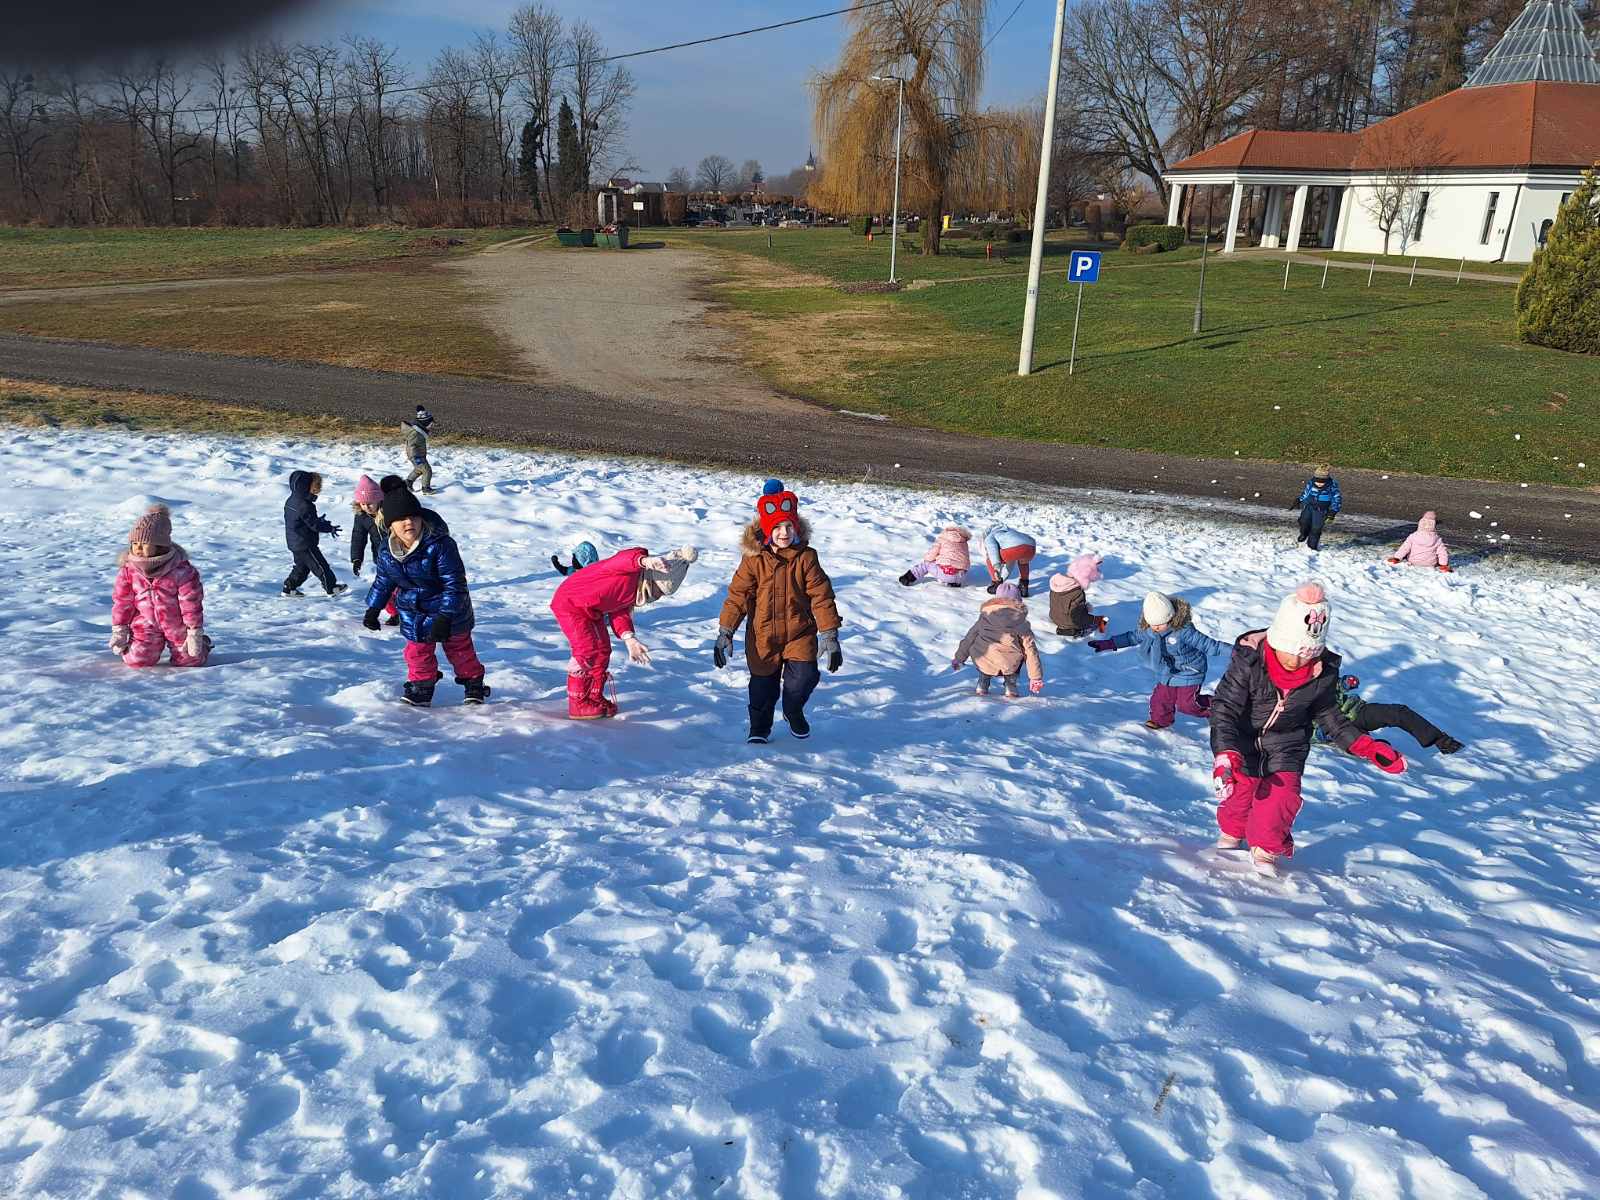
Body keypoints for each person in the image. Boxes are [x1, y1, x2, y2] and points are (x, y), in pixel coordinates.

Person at [1210, 582, 1407, 873]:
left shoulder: (1320, 672)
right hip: (1242, 744)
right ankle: (1232, 833)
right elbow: (1224, 708)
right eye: (1294, 651)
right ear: (1277, 640)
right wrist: (1226, 753)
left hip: (1288, 746)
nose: (1300, 660)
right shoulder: (1250, 662)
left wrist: (1364, 746)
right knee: (1239, 799)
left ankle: (1265, 849)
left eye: (1308, 654)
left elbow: (1330, 715)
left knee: (1281, 798)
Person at [715, 486, 842, 744]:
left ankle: (792, 710)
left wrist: (829, 634)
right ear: (766, 530)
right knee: (762, 688)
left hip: (799, 633)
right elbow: (738, 596)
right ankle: (760, 728)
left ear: (796, 528)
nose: (783, 533)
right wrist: (725, 632)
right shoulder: (754, 559)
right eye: (777, 528)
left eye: (788, 527)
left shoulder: (806, 557)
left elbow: (821, 595)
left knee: (805, 676)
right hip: (763, 636)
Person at [362, 487, 487, 706]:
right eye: (401, 519)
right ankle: (421, 686)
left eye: (413, 516)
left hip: (450, 610)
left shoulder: (440, 545)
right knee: (416, 652)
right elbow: (384, 581)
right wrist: (374, 609)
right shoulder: (386, 551)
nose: (408, 522)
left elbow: (454, 583)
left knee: (460, 651)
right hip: (413, 612)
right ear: (390, 524)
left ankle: (473, 682)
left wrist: (445, 616)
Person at [551, 545, 698, 719]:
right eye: (658, 590)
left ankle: (593, 696)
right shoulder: (629, 570)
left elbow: (618, 610)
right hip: (570, 604)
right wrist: (644, 561)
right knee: (587, 650)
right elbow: (620, 560)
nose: (656, 596)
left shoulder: (632, 592)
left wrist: (630, 639)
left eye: (661, 595)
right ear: (651, 578)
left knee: (603, 650)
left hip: (592, 610)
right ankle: (578, 703)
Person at [1089, 591, 1229, 729]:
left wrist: (1239, 650)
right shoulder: (1150, 630)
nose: (1156, 628)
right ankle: (1161, 721)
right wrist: (1109, 644)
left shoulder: (1183, 631)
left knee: (1187, 705)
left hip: (1190, 671)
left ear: (1170, 618)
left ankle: (1215, 708)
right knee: (1160, 699)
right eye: (1152, 624)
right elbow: (1131, 637)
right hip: (1167, 671)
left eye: (1160, 624)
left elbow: (1211, 645)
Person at [109, 504, 211, 668]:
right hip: (145, 625)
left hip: (177, 625)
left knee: (189, 661)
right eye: (134, 543)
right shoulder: (129, 571)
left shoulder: (181, 570)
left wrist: (193, 631)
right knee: (137, 661)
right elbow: (122, 601)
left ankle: (204, 646)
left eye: (144, 543)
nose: (138, 548)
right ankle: (142, 647)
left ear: (160, 545)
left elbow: (191, 602)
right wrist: (120, 629)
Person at [1322, 672, 1464, 753]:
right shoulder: (1300, 690)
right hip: (1336, 728)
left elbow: (1330, 686)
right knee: (1372, 747)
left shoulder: (1312, 666)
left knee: (1398, 712)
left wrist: (1343, 683)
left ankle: (1441, 741)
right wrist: (1321, 735)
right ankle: (1374, 750)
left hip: (1356, 711)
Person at [952, 582, 1043, 698]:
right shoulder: (1020, 622)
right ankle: (1010, 685)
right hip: (1009, 663)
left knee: (981, 648)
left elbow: (970, 637)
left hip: (984, 660)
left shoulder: (985, 616)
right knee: (1020, 652)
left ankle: (982, 683)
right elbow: (1030, 650)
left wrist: (959, 659)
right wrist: (1035, 677)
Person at [283, 470, 347, 597]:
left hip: (294, 542)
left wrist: (318, 520)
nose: (316, 490)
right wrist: (329, 527)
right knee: (320, 566)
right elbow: (314, 525)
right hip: (305, 544)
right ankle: (331, 587)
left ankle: (289, 588)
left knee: (302, 567)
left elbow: (302, 521)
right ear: (305, 486)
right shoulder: (305, 505)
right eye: (313, 487)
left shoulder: (291, 500)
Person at [1049, 553, 1108, 638]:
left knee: (1078, 614)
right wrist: (1095, 619)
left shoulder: (1059, 584)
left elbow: (1063, 602)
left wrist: (1084, 607)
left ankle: (1068, 626)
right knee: (1103, 620)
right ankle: (1079, 631)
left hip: (1054, 617)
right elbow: (1077, 617)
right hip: (1070, 622)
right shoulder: (1077, 592)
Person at [899, 525, 973, 587]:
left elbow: (931, 555)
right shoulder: (964, 541)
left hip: (945, 574)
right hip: (961, 576)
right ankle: (953, 582)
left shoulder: (943, 538)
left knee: (926, 565)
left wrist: (928, 559)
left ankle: (907, 578)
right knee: (954, 564)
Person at [1291, 463, 1341, 552]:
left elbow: (1336, 499)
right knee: (1303, 521)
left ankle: (1312, 546)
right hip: (1309, 507)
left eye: (1322, 482)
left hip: (1321, 510)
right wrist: (1299, 499)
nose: (1319, 484)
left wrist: (1333, 511)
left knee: (1316, 528)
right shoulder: (1311, 483)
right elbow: (1306, 493)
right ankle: (1304, 533)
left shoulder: (1332, 486)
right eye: (1317, 482)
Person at [983, 525, 1038, 596]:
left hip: (1015, 548)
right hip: (1031, 546)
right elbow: (1011, 561)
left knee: (990, 558)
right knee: (1023, 562)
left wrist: (996, 567)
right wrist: (1003, 577)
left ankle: (995, 585)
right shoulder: (1009, 533)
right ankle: (1023, 587)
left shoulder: (990, 536)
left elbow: (992, 551)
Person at [1387, 511, 1451, 572]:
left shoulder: (1413, 536)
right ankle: (1441, 564)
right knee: (1440, 552)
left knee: (1407, 549)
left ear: (1420, 524)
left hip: (1413, 560)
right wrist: (1443, 564)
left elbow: (1404, 548)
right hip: (1430, 563)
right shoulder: (1437, 539)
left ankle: (1404, 558)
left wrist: (1396, 558)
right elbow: (1442, 553)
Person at [350, 474, 384, 577]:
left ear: (378, 499)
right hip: (380, 556)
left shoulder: (390, 511)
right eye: (363, 504)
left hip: (399, 553)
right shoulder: (361, 516)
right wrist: (357, 559)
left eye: (370, 503)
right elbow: (358, 538)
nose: (366, 507)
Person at [403, 406, 437, 495]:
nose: (432, 426)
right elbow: (411, 445)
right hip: (415, 455)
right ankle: (426, 488)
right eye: (431, 424)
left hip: (418, 454)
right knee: (427, 470)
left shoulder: (420, 432)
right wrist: (416, 456)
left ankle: (408, 483)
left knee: (419, 469)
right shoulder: (415, 433)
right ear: (425, 423)